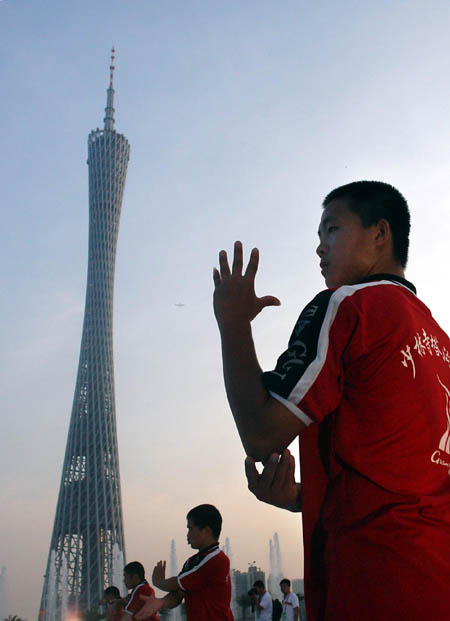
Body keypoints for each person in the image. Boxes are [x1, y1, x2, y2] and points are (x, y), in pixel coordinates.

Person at [213, 181, 450, 620]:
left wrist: (232, 323)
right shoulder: (440, 340)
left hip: (374, 584)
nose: (320, 248)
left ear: (381, 233)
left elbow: (262, 434)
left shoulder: (347, 306)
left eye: (332, 230)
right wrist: (299, 497)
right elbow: (403, 477)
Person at [135, 504, 234, 620]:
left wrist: (159, 582)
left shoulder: (216, 559)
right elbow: (178, 593)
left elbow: (177, 583)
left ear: (206, 531)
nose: (187, 535)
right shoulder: (192, 562)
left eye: (190, 529)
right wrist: (160, 602)